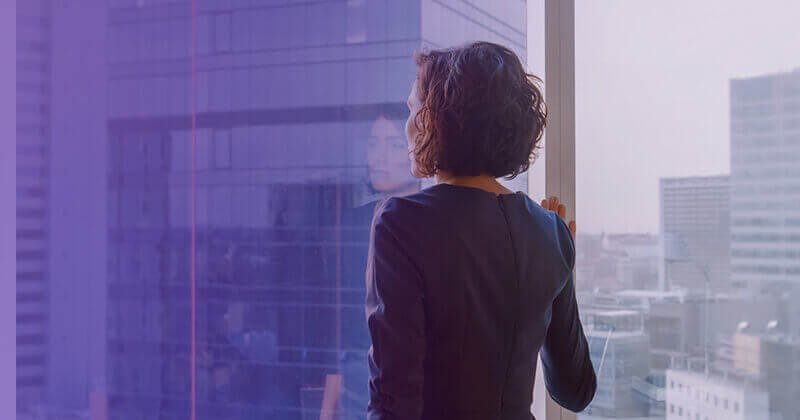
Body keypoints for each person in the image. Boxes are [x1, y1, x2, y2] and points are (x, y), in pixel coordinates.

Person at [364, 41, 597, 419]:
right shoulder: (551, 232)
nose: (408, 125)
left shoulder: (400, 222)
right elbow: (576, 391)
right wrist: (558, 260)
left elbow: (392, 403)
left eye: (412, 109)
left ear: (435, 120)